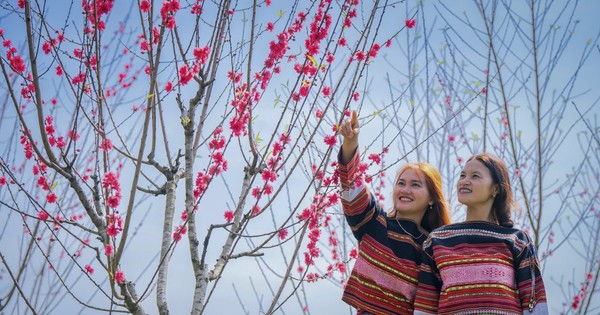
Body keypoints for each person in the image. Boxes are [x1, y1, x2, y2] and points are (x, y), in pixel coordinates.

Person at [338, 110, 451, 314]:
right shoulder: (374, 222)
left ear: (432, 198)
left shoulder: (434, 248)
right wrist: (350, 142)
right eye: (401, 183)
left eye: (415, 185)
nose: (405, 190)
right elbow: (352, 185)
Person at [414, 153, 548, 315]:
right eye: (462, 175)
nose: (464, 181)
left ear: (496, 188)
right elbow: (425, 305)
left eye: (475, 176)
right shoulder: (437, 240)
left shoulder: (517, 241)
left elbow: (534, 302)